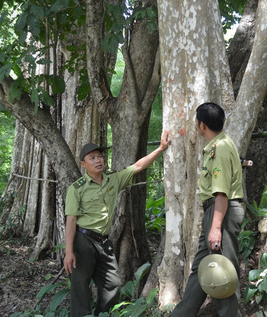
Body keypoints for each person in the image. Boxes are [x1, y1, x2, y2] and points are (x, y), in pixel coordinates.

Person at [64, 132, 171, 317]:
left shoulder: (112, 178)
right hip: (83, 241)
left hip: (103, 242)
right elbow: (71, 220)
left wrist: (161, 149)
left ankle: (102, 315)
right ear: (84, 164)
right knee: (80, 288)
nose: (98, 160)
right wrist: (68, 252)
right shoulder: (76, 188)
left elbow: (137, 166)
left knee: (112, 285)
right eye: (92, 158)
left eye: (99, 156)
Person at [171, 102, 245, 317]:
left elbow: (221, 193)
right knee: (202, 267)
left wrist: (215, 228)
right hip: (217, 211)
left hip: (221, 211)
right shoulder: (219, 144)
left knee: (224, 271)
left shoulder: (220, 149)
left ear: (201, 125)